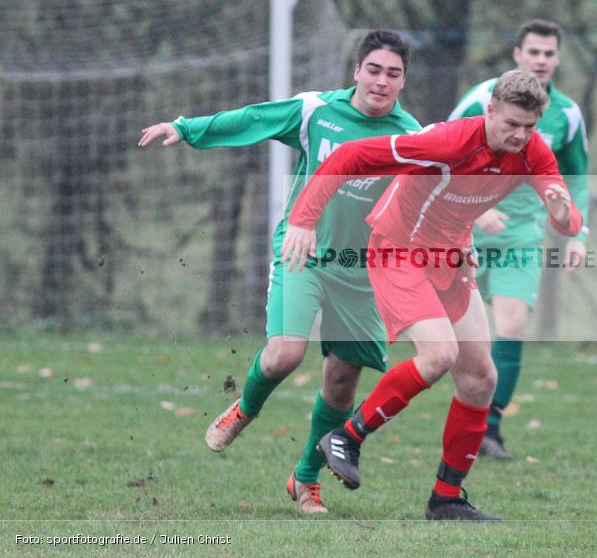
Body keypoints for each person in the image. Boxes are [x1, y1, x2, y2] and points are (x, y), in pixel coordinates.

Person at [280, 69, 584, 520]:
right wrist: (303, 220)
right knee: (439, 355)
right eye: (511, 124)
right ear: (490, 112)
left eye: (529, 126)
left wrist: (564, 214)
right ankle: (348, 436)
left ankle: (446, 499)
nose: (520, 135)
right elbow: (351, 155)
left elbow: (567, 220)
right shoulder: (445, 143)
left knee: (481, 378)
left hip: (452, 259)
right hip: (398, 250)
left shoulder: (534, 151)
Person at [138, 30, 421, 514]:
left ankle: (305, 480)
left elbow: (434, 196)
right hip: (301, 253)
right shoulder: (317, 111)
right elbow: (254, 119)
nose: (381, 81)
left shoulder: (411, 137)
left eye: (392, 74)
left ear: (402, 81)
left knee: (341, 383)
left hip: (359, 272)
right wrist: (186, 129)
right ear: (356, 71)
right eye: (373, 70)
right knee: (284, 355)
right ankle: (245, 408)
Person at [447, 19, 590, 459]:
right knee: (444, 340)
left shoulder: (565, 114)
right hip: (464, 226)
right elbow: (442, 153)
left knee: (510, 325)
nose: (542, 60)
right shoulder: (480, 100)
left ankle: (488, 429)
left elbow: (577, 177)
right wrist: (479, 206)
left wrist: (578, 232)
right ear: (517, 54)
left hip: (523, 234)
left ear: (558, 59)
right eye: (534, 52)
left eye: (549, 54)